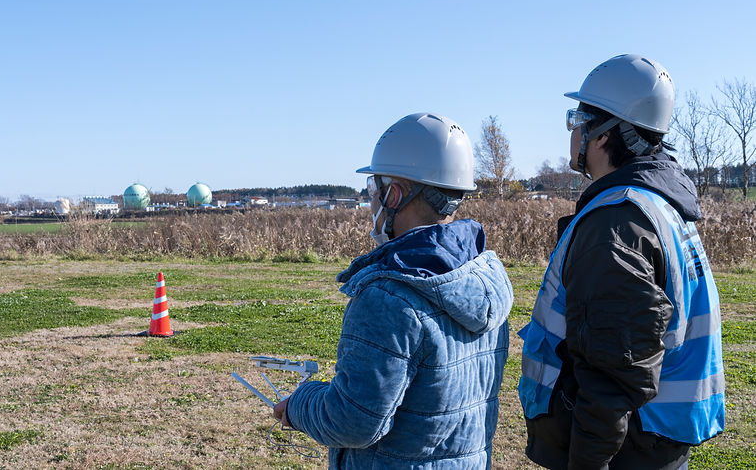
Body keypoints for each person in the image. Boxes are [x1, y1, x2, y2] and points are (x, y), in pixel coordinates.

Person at [518, 54, 725, 469]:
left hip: (625, 445)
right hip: (652, 434)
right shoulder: (659, 204)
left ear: (604, 134)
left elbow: (613, 372)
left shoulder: (617, 220)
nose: (574, 133)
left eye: (579, 119)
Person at [272, 112, 514, 468]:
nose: (371, 203)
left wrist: (300, 403)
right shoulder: (483, 279)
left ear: (394, 194)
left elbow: (353, 421)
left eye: (374, 190)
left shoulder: (387, 298)